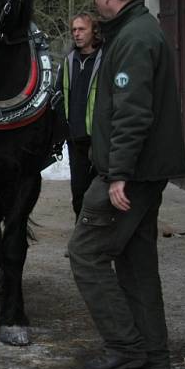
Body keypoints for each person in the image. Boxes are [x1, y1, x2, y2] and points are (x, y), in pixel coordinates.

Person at [68, 0, 185, 369]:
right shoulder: (139, 31)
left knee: (85, 253)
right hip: (144, 171)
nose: (94, 6)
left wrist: (117, 173)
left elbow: (133, 113)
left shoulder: (134, 38)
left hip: (131, 175)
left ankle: (124, 345)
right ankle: (154, 360)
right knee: (137, 263)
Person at [62, 13, 102, 222]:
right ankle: (82, 237)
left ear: (93, 31)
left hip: (99, 138)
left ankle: (99, 239)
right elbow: (61, 96)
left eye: (81, 29)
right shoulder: (69, 61)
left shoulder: (105, 59)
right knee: (78, 193)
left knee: (99, 193)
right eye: (74, 30)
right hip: (76, 137)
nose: (76, 34)